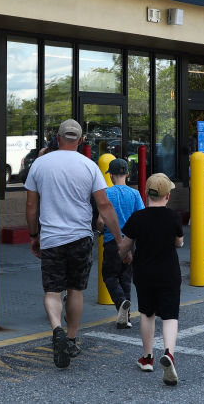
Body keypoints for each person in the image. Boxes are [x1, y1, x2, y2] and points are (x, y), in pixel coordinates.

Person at [25, 119, 131, 369]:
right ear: (81, 140)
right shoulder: (89, 166)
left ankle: (56, 330)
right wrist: (119, 239)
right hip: (81, 237)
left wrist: (33, 235)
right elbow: (104, 206)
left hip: (51, 237)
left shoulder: (39, 164)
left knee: (52, 290)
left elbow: (31, 205)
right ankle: (71, 338)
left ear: (57, 137)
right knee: (75, 290)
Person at [119, 173, 185, 386]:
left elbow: (124, 246)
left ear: (146, 193)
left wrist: (125, 255)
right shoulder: (174, 217)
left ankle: (147, 358)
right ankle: (169, 354)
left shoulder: (137, 218)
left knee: (147, 313)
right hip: (169, 272)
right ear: (167, 196)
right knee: (170, 315)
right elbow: (179, 243)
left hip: (144, 273)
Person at [97, 158, 145, 329]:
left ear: (110, 175)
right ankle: (126, 318)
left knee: (109, 276)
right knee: (125, 278)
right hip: (130, 243)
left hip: (112, 242)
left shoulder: (106, 194)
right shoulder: (135, 194)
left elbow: (101, 221)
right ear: (127, 174)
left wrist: (98, 231)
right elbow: (141, 218)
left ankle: (121, 301)